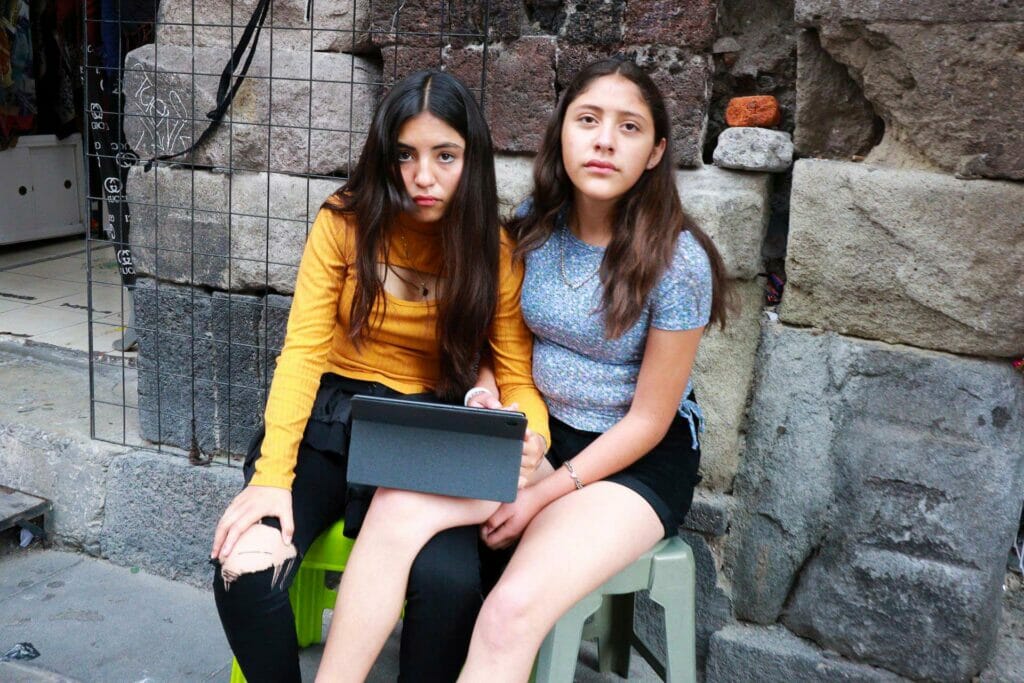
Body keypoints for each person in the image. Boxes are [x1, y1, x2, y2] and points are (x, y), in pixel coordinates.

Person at [209, 70, 549, 683]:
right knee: (245, 567)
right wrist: (269, 479)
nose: (424, 177)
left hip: (426, 430)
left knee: (448, 584)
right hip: (329, 419)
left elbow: (517, 375)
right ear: (383, 156)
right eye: (406, 156)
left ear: (471, 160)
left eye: (445, 156)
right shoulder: (344, 222)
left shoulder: (491, 250)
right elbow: (303, 352)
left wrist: (532, 437)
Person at [455, 57, 731, 681]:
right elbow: (500, 343)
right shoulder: (533, 224)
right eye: (588, 120)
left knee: (510, 611)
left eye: (629, 128)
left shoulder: (676, 261)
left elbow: (650, 420)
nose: (605, 140)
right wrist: (486, 393)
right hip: (538, 429)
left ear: (656, 152)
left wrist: (541, 498)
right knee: (437, 555)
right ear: (561, 133)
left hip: (634, 461)